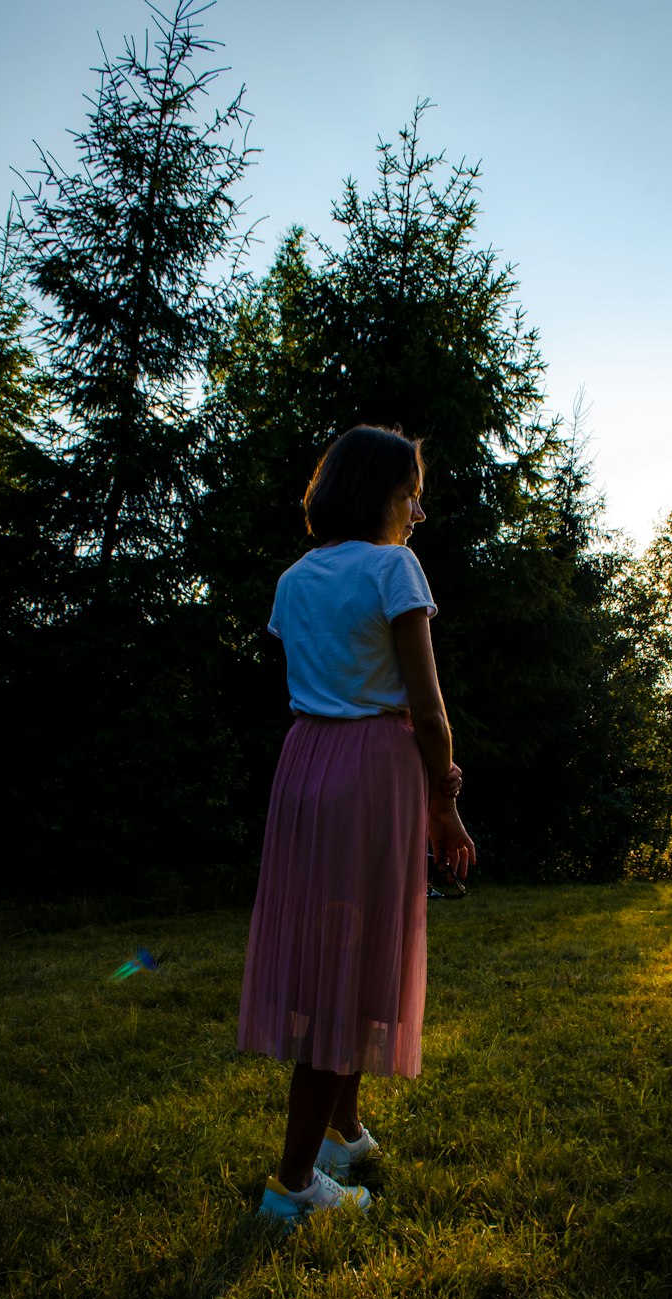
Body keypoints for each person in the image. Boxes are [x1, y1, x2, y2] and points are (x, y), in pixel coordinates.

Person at [239, 424, 475, 1224]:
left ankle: (342, 1131)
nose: (418, 508)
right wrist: (445, 803)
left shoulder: (294, 579)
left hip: (305, 767)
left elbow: (317, 676)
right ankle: (294, 1185)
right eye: (411, 490)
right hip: (374, 771)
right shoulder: (392, 567)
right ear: (378, 490)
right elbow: (427, 704)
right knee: (349, 969)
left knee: (341, 953)